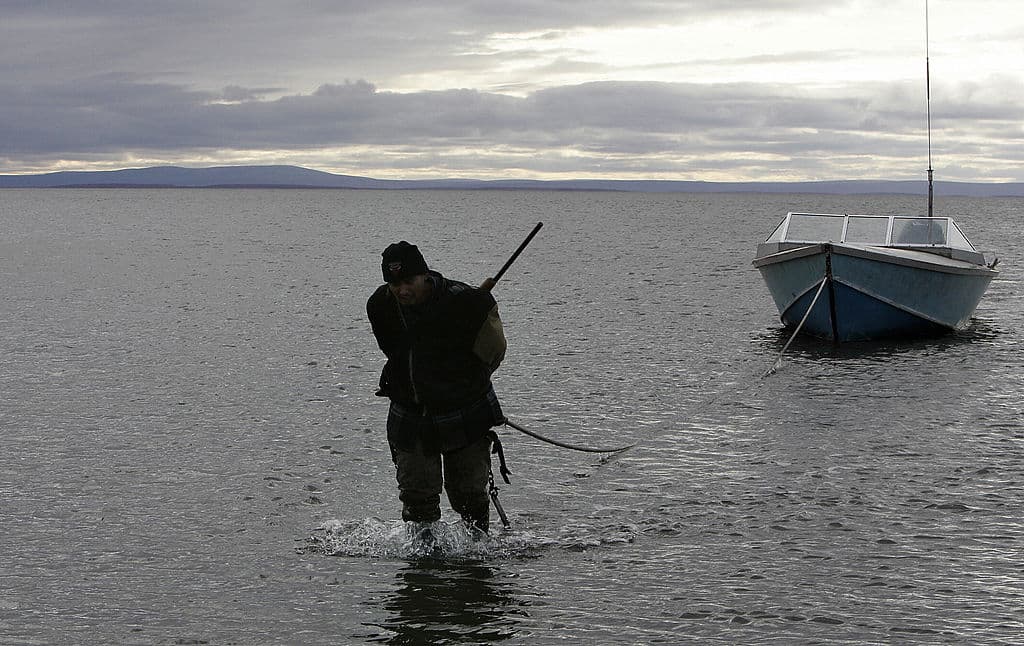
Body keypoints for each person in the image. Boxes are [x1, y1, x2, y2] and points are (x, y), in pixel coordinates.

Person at [367, 241, 507, 535]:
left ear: (425, 275)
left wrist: (457, 381)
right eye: (394, 283)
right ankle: (423, 566)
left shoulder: (468, 302)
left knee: (470, 495)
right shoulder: (379, 306)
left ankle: (476, 557)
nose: (402, 290)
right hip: (410, 413)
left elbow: (494, 353)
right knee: (417, 499)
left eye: (408, 282)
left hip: (465, 411)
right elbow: (393, 351)